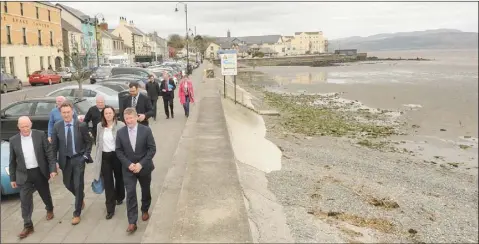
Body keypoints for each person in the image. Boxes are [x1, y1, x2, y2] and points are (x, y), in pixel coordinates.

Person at [9, 116, 57, 239]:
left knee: (45, 194)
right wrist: (13, 178)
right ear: (18, 127)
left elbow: (49, 153)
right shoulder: (13, 140)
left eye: (27, 126)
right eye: (22, 127)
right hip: (23, 175)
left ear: (31, 125)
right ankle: (28, 225)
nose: (25, 129)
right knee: (25, 201)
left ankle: (49, 208)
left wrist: (52, 169)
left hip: (39, 171)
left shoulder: (40, 135)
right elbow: (12, 161)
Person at [51, 101, 92, 225]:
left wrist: (85, 156)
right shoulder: (57, 126)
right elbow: (54, 147)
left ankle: (77, 213)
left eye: (68, 112)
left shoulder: (81, 125)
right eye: (64, 113)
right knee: (68, 184)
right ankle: (80, 197)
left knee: (78, 185)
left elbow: (89, 142)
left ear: (72, 111)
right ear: (60, 113)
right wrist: (54, 164)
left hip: (78, 159)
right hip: (65, 161)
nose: (66, 115)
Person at [115, 107, 156, 233]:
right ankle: (132, 221)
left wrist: (141, 164)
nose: (128, 121)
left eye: (131, 118)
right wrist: (128, 164)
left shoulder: (146, 130)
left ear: (136, 117)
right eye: (126, 118)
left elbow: (152, 149)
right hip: (128, 169)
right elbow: (119, 151)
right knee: (131, 193)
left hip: (144, 168)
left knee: (145, 189)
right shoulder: (120, 132)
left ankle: (145, 209)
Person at [94, 106, 125, 219]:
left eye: (110, 113)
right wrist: (97, 158)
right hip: (105, 157)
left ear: (114, 114)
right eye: (106, 113)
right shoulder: (99, 126)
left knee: (119, 178)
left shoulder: (120, 125)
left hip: (117, 156)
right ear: (103, 115)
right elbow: (97, 142)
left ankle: (120, 196)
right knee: (108, 183)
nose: (108, 115)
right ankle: (110, 208)